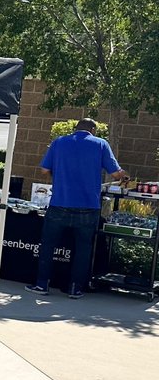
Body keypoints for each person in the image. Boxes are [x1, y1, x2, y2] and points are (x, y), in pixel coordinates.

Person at [27, 118, 128, 299]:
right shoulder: (100, 144)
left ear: (75, 129)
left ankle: (42, 284)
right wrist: (124, 176)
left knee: (48, 245)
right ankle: (75, 288)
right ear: (93, 130)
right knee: (83, 247)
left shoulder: (59, 142)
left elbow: (44, 170)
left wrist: (59, 178)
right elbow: (115, 173)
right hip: (88, 206)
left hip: (60, 203)